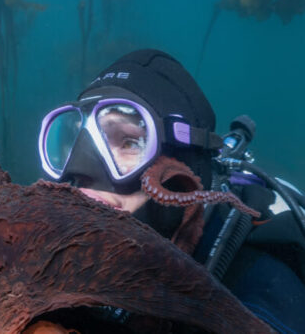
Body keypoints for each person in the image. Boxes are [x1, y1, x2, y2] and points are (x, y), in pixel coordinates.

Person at [37, 49, 305, 333]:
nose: (82, 168)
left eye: (129, 142)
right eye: (75, 139)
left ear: (183, 166)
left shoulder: (261, 286)